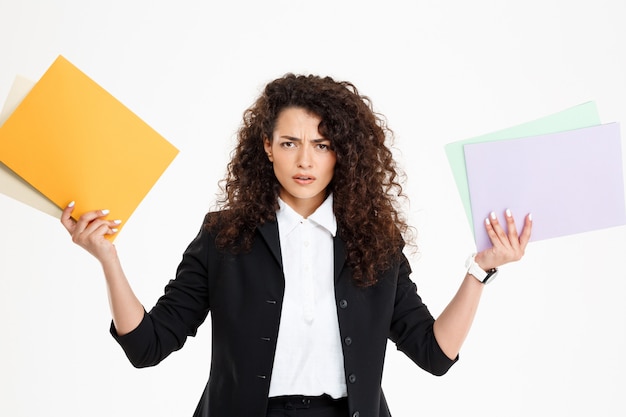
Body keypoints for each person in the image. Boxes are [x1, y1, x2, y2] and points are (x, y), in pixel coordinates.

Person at [61, 74, 532, 417]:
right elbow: (148, 345)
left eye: (322, 145)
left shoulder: (376, 244)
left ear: (342, 152)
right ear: (266, 147)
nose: (305, 160)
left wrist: (480, 270)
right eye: (289, 143)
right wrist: (108, 257)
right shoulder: (223, 236)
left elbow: (433, 353)